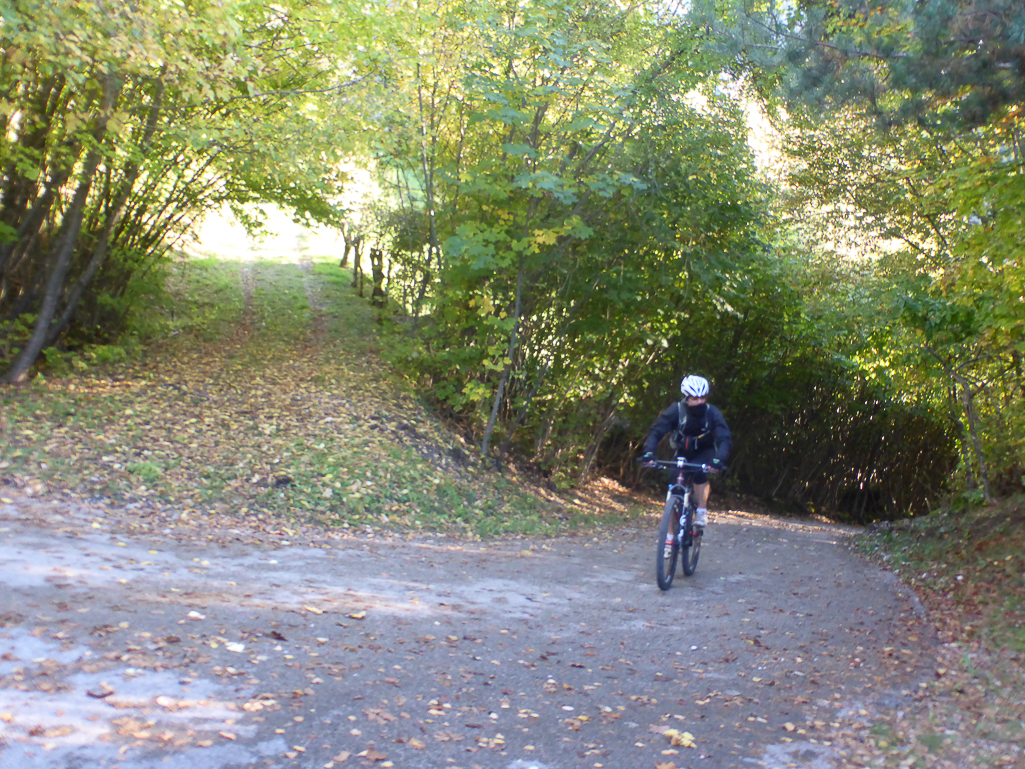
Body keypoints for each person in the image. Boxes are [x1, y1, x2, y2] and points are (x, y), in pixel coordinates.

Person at [641, 375, 731, 528]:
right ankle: (669, 536)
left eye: (703, 398)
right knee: (673, 483)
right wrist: (648, 453)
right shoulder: (676, 410)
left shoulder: (712, 413)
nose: (700, 402)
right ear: (686, 397)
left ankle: (701, 510)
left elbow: (724, 438)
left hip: (705, 451)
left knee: (699, 472)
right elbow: (656, 431)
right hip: (683, 451)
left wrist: (718, 459)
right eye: (695, 398)